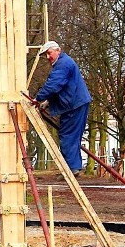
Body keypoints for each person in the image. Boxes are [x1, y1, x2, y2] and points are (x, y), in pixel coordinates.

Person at [33, 40, 92, 176]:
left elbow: (54, 84)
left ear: (58, 50)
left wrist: (38, 98)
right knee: (72, 136)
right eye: (46, 55)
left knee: (67, 135)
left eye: (49, 53)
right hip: (76, 103)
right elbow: (63, 86)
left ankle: (72, 168)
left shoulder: (63, 64)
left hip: (73, 106)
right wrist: (48, 101)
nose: (48, 57)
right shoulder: (64, 63)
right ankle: (73, 166)